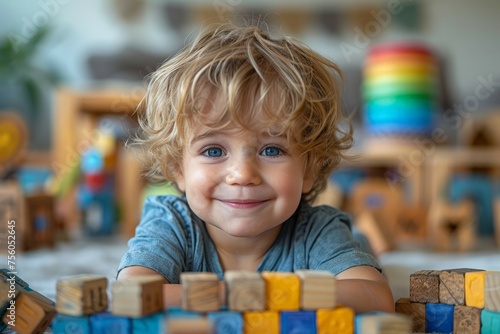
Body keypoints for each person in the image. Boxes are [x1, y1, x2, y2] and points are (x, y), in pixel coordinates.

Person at [117, 21, 394, 313]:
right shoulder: (170, 222)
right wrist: (246, 294)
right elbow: (130, 294)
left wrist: (236, 295)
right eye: (213, 150)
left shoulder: (316, 230)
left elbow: (376, 297)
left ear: (310, 169)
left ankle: (364, 237)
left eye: (272, 150)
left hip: (335, 241)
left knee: (359, 245)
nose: (243, 175)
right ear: (178, 169)